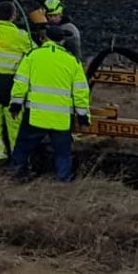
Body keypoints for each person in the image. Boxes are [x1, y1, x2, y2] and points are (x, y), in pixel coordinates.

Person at [7, 24, 92, 181]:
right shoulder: (72, 61)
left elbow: (20, 84)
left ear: (45, 38)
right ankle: (62, 180)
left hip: (36, 116)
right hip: (60, 119)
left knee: (23, 147)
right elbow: (81, 92)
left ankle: (17, 174)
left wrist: (15, 105)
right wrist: (82, 117)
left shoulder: (32, 56)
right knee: (62, 152)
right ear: (62, 41)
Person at [0, 0, 35, 165]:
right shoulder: (21, 35)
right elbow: (34, 52)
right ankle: (18, 159)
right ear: (14, 15)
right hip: (10, 82)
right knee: (14, 123)